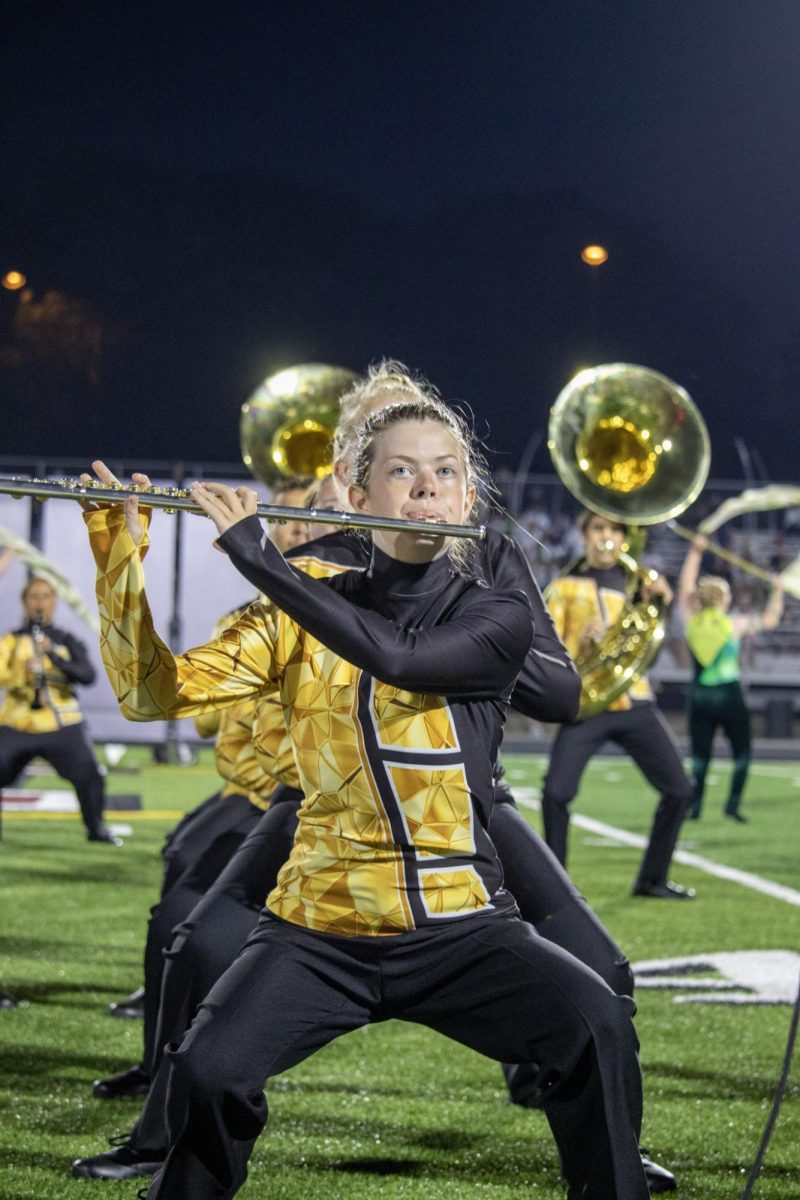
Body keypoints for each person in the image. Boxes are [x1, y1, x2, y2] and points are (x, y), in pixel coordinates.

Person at [82, 399, 650, 1200]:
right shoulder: (299, 601)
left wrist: (262, 561)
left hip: (461, 924)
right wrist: (117, 556)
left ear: (466, 498)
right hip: (318, 929)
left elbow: (400, 657)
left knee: (596, 1027)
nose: (426, 489)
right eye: (402, 472)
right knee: (206, 1071)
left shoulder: (496, 610)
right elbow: (150, 693)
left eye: (444, 473)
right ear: (356, 494)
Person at [93, 480, 312, 1095]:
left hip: (303, 810)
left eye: (308, 516)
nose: (294, 529)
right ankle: (161, 1059)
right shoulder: (252, 620)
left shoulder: (345, 612)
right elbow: (176, 702)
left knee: (194, 933)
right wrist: (117, 552)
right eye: (285, 519)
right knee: (179, 892)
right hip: (251, 798)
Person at [541, 510, 695, 899]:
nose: (605, 537)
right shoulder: (564, 587)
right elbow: (545, 650)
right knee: (556, 794)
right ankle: (558, 887)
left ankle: (652, 880)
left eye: (613, 529)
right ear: (584, 534)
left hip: (634, 703)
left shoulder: (637, 584)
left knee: (679, 790)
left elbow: (648, 651)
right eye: (597, 528)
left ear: (625, 537)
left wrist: (664, 605)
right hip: (587, 705)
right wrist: (580, 646)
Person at [0, 575, 118, 843]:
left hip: (62, 724)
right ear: (25, 602)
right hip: (18, 722)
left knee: (89, 774)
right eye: (34, 596)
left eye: (45, 596)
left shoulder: (66, 641)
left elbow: (87, 675)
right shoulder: (10, 641)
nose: (40, 602)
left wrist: (52, 655)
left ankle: (96, 829)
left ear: (54, 602)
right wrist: (24, 673)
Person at [677, 534, 785, 822]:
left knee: (700, 756)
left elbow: (685, 586)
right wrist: (777, 590)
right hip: (729, 694)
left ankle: (695, 807)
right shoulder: (734, 624)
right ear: (724, 599)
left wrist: (696, 552)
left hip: (699, 694)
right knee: (742, 752)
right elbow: (771, 620)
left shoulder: (691, 620)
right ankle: (732, 805)